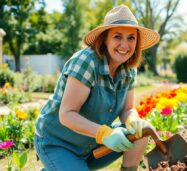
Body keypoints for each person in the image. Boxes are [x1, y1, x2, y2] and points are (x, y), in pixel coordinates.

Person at [34, 4, 160, 171]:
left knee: (140, 133)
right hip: (58, 143)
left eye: (131, 38)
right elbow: (67, 114)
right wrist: (105, 134)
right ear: (105, 39)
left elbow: (128, 108)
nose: (125, 45)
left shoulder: (129, 69)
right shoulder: (86, 62)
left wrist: (133, 120)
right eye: (117, 37)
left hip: (91, 144)